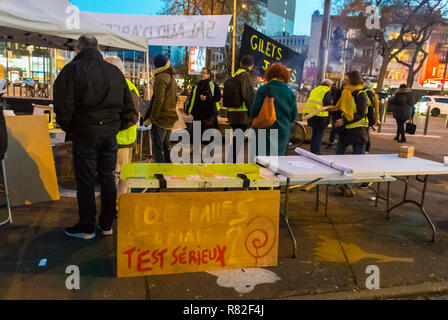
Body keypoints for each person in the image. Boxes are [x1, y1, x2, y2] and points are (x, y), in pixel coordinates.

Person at [53, 35, 138, 239]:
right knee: (108, 177)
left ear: (77, 49)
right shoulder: (115, 73)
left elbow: (63, 108)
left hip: (86, 133)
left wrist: (73, 129)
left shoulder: (71, 71)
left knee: (86, 180)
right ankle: (106, 224)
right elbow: (130, 110)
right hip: (108, 135)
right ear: (98, 49)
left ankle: (87, 226)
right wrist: (114, 127)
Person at [104, 56, 141, 197]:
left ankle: (118, 205)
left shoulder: (126, 87)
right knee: (118, 174)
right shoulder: (117, 85)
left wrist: (113, 128)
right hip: (118, 138)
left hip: (122, 139)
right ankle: (116, 204)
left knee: (119, 174)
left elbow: (132, 116)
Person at [251, 63, 298, 156]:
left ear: (269, 75)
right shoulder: (290, 93)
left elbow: (254, 110)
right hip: (282, 133)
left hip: (264, 130)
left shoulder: (263, 89)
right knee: (277, 162)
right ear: (285, 77)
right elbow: (293, 116)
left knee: (261, 161)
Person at [144, 54, 178, 163]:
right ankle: (168, 169)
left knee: (157, 147)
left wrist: (152, 118)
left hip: (161, 118)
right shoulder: (172, 77)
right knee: (166, 146)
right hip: (170, 117)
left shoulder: (160, 77)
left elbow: (158, 100)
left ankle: (160, 171)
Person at [225, 55, 255, 163]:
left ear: (241, 64)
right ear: (251, 66)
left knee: (237, 138)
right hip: (242, 115)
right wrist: (253, 113)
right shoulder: (246, 75)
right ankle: (231, 162)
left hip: (232, 113)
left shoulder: (235, 75)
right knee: (238, 139)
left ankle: (231, 161)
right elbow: (249, 95)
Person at [332, 71, 369, 155]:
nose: (345, 82)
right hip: (344, 130)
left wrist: (344, 120)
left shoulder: (360, 94)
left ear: (354, 80)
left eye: (347, 80)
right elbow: (340, 108)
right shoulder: (345, 91)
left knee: (357, 160)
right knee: (338, 157)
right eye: (344, 80)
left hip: (358, 132)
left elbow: (361, 113)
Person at [302, 79, 333, 154]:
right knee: (319, 135)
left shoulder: (315, 89)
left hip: (312, 115)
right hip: (321, 116)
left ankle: (312, 150)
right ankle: (315, 152)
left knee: (314, 134)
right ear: (329, 85)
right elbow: (328, 104)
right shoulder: (326, 91)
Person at [187, 67, 221, 135]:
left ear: (208, 75)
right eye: (201, 72)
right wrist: (189, 109)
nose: (202, 74)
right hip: (198, 114)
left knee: (207, 136)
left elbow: (217, 97)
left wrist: (207, 98)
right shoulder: (197, 84)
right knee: (196, 137)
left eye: (204, 73)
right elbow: (193, 98)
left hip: (208, 115)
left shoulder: (212, 85)